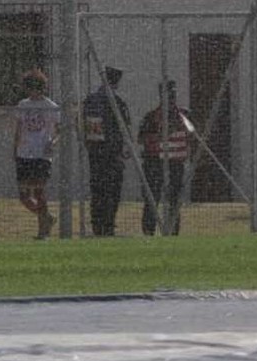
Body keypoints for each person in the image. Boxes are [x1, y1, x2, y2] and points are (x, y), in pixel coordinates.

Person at [138, 80, 195, 237]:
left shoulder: (184, 116)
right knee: (152, 198)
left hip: (176, 164)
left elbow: (192, 134)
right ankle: (149, 230)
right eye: (168, 94)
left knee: (174, 200)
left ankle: (173, 230)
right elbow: (142, 139)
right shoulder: (151, 117)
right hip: (155, 164)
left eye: (173, 94)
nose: (171, 97)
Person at [12, 70, 61, 240]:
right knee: (24, 195)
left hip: (41, 154)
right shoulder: (23, 105)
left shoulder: (51, 107)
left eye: (35, 88)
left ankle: (43, 231)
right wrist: (15, 149)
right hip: (24, 153)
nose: (31, 92)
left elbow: (59, 131)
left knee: (39, 192)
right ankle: (46, 217)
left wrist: (52, 143)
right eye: (29, 88)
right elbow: (18, 129)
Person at [82, 65, 130, 236]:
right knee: (112, 190)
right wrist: (125, 148)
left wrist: (91, 146)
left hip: (96, 153)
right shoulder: (117, 103)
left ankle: (97, 224)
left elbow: (87, 127)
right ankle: (108, 224)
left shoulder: (91, 100)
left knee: (98, 190)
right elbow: (125, 129)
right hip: (113, 153)